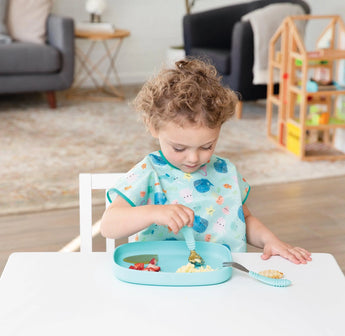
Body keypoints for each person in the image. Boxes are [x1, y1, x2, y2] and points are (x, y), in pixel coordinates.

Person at [100, 58, 311, 265]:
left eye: (206, 146)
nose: (193, 158)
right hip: (163, 277)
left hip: (222, 277)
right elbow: (109, 225)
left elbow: (243, 219)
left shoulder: (225, 171)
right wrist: (153, 212)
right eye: (179, 148)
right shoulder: (149, 172)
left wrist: (269, 240)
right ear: (153, 127)